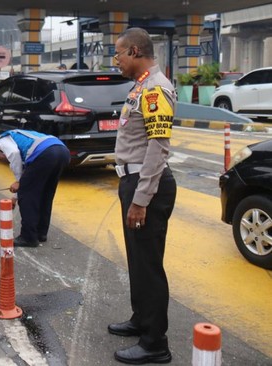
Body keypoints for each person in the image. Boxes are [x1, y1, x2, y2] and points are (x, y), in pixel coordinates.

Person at [108, 27, 177, 364]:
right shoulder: (142, 86)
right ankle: (141, 319)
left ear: (134, 51)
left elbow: (157, 147)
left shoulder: (155, 89)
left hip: (146, 185)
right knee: (138, 259)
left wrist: (141, 198)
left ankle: (155, 343)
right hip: (134, 182)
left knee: (148, 264)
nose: (116, 60)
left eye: (119, 53)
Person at [0, 129, 70, 247]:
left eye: (1, 157)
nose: (5, 160)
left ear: (0, 151)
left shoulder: (1, 140)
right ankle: (41, 233)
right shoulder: (21, 137)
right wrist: (14, 197)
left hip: (45, 154)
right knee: (46, 194)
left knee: (28, 197)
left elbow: (13, 154)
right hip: (62, 150)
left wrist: (20, 183)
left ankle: (28, 237)